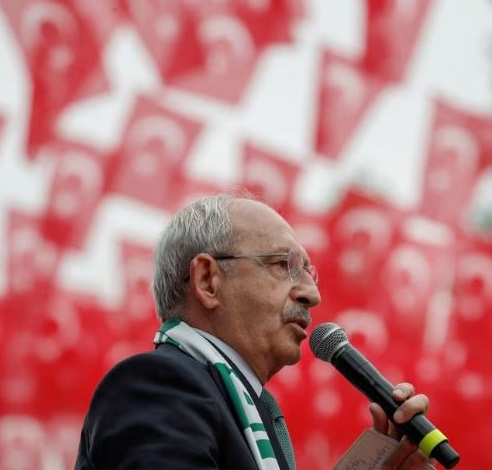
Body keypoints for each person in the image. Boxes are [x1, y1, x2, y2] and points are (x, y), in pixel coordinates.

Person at [74, 194, 435, 469]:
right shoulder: (156, 386)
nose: (312, 293)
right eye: (283, 265)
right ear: (208, 281)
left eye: (310, 273)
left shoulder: (239, 407)